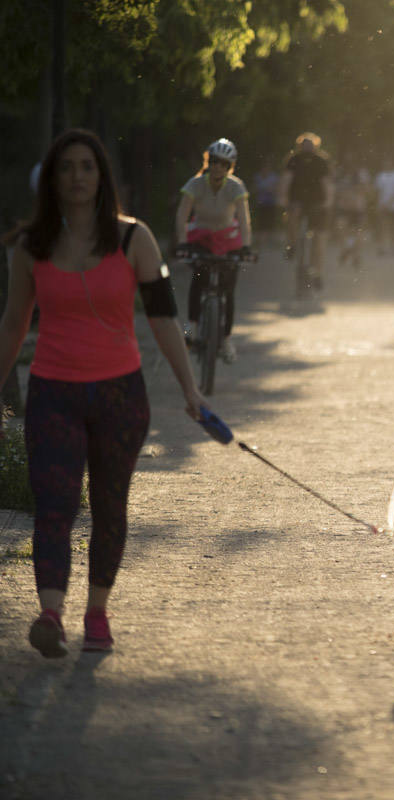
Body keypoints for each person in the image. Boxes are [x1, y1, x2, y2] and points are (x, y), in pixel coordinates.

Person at [0, 129, 210, 657]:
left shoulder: (133, 238)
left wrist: (190, 389)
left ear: (101, 177)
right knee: (54, 505)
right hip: (53, 393)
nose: (76, 176)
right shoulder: (30, 246)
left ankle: (97, 610)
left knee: (110, 506)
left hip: (120, 395)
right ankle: (50, 612)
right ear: (53, 178)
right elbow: (12, 326)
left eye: (86, 167)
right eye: (67, 167)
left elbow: (163, 317)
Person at [174, 138, 253, 362]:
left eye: (224, 164)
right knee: (198, 281)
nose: (218, 167)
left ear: (231, 167)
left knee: (228, 290)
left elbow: (244, 220)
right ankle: (190, 332)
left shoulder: (235, 186)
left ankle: (226, 340)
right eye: (215, 162)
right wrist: (182, 241)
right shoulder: (195, 184)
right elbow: (182, 215)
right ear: (208, 162)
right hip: (201, 238)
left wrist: (246, 247)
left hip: (228, 239)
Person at [278, 132, 334, 298]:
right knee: (292, 216)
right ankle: (292, 244)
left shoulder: (321, 161)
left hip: (317, 202)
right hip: (297, 201)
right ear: (300, 146)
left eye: (311, 144)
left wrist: (328, 201)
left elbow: (326, 183)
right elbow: (286, 180)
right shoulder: (294, 160)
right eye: (305, 144)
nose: (307, 147)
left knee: (319, 239)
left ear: (316, 146)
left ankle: (317, 273)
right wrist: (283, 198)